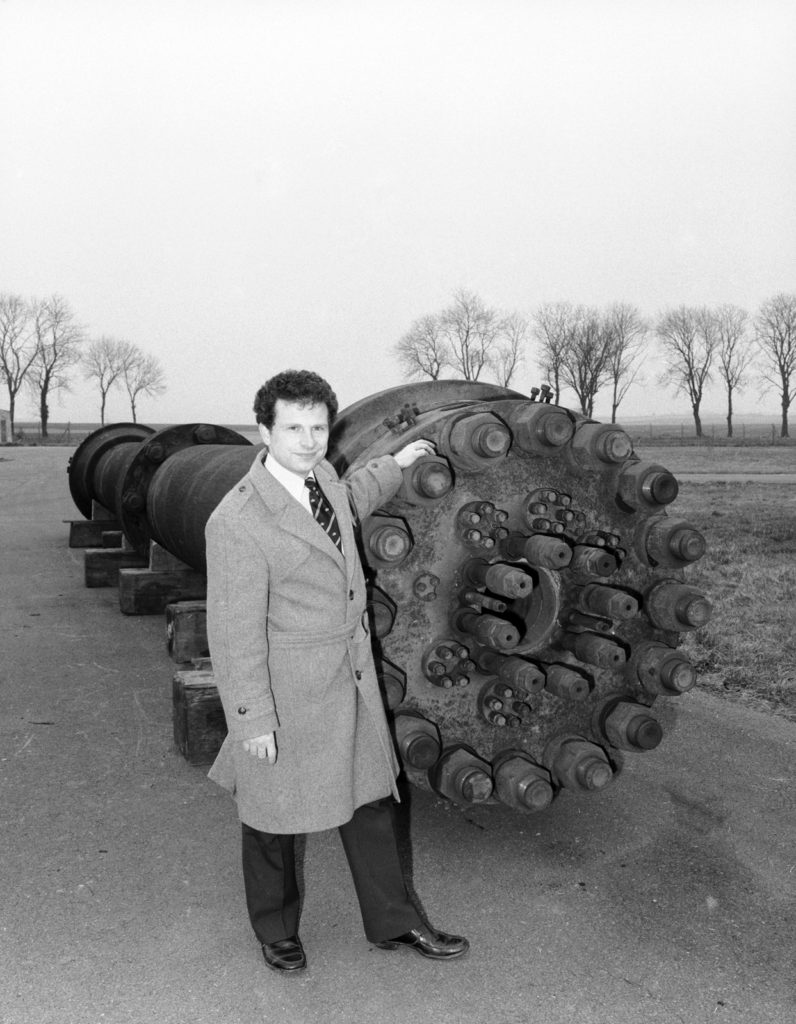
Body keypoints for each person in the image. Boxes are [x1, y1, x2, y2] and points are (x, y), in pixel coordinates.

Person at [205, 369, 469, 972]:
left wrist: (397, 462)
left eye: (317, 426)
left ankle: (395, 923)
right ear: (263, 431)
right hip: (288, 686)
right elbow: (232, 631)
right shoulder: (237, 521)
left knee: (373, 801)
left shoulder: (320, 478)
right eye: (293, 428)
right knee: (273, 815)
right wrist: (252, 720)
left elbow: (349, 498)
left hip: (348, 677)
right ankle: (275, 931)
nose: (308, 440)